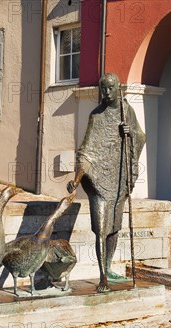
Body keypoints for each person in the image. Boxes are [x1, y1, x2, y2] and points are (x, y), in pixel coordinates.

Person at [67, 73, 146, 292]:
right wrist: (77, 179)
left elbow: (141, 136)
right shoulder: (96, 115)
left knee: (114, 229)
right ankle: (102, 276)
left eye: (111, 88)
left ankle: (109, 266)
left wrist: (130, 134)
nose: (107, 93)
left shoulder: (126, 110)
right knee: (100, 229)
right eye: (104, 89)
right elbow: (87, 150)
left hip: (119, 178)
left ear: (118, 87)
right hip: (99, 181)